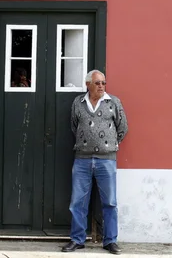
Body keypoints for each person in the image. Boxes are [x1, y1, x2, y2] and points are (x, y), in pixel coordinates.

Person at [61, 70, 128, 255]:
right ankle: (77, 239)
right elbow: (74, 126)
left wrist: (108, 145)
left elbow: (123, 127)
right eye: (97, 83)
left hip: (106, 160)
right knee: (77, 202)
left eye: (103, 83)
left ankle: (110, 241)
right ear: (88, 84)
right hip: (82, 159)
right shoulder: (78, 103)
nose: (101, 86)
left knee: (110, 202)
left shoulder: (113, 102)